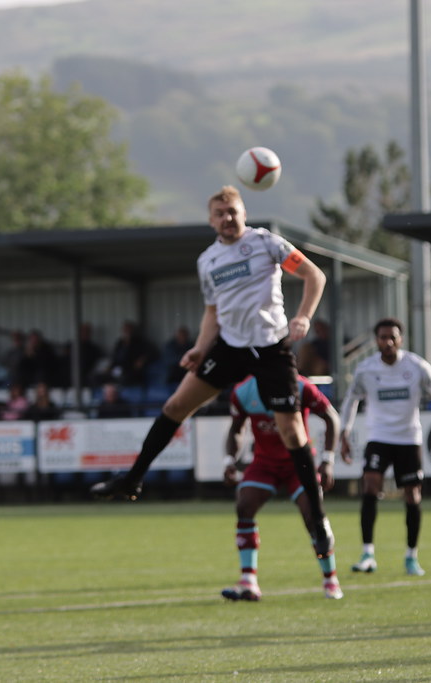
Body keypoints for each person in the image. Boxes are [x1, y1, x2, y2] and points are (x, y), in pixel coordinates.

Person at [91, 185, 335, 558]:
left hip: (271, 348)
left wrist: (303, 317)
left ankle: (318, 521)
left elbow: (314, 276)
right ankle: (132, 478)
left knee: (291, 429)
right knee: (175, 406)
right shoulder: (208, 262)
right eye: (220, 213)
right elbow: (211, 314)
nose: (228, 218)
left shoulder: (266, 243)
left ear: (243, 212)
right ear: (211, 220)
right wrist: (200, 349)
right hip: (230, 348)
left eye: (233, 211)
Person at [339, 317, 431, 577]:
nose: (388, 342)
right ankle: (367, 553)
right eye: (382, 337)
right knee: (369, 486)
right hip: (378, 437)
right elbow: (350, 400)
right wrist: (344, 432)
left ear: (400, 339)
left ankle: (411, 556)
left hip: (408, 439)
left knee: (412, 496)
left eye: (393, 337)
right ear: (376, 340)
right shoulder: (365, 369)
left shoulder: (416, 366)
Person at [221, 374, 342, 601]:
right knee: (244, 505)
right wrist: (229, 460)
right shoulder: (243, 391)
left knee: (312, 515)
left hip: (299, 463)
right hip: (265, 462)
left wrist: (328, 460)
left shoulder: (300, 386)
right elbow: (236, 428)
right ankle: (248, 580)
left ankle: (330, 578)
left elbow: (330, 417)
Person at [106, 321, 157, 388]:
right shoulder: (120, 343)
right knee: (98, 378)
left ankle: (115, 391)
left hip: (131, 370)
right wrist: (109, 367)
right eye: (125, 329)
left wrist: (142, 359)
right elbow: (114, 357)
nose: (127, 331)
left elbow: (152, 353)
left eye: (128, 329)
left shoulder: (139, 342)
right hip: (117, 369)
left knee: (124, 379)